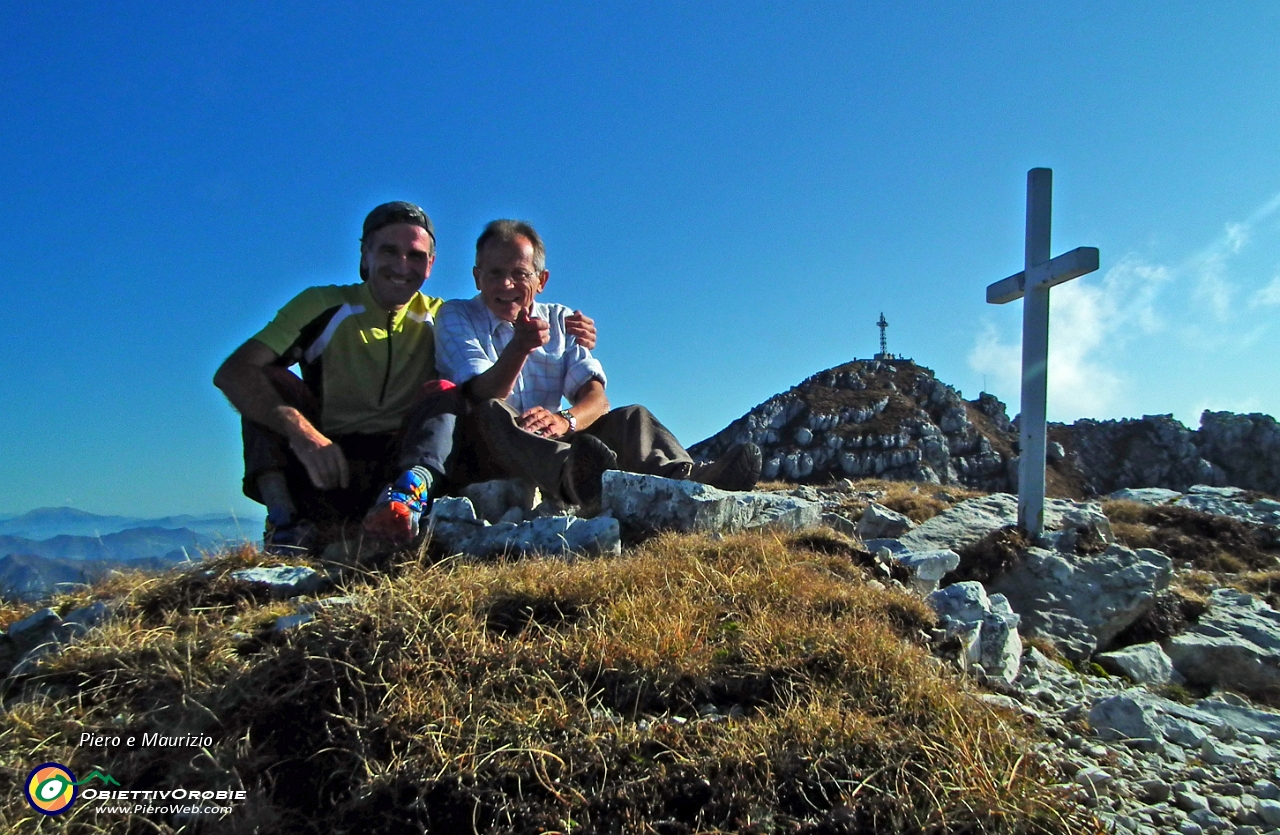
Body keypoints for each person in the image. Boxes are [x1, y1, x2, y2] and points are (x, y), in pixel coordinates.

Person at [213, 202, 597, 552]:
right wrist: (305, 436)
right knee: (266, 382)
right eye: (388, 251)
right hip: (327, 461)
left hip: (402, 462)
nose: (401, 266)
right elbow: (234, 372)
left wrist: (572, 326)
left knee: (444, 391)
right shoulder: (322, 305)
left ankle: (406, 499)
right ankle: (285, 522)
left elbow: (505, 302)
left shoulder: (442, 315)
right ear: (365, 254)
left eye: (415, 256)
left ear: (430, 265)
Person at [428, 218, 761, 509]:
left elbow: (597, 399)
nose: (506, 285)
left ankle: (689, 478)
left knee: (634, 418)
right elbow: (480, 391)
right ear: (476, 276)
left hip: (549, 440)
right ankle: (576, 478)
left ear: (541, 281)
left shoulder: (561, 319)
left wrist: (566, 421)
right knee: (490, 412)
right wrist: (518, 349)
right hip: (488, 449)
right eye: (495, 273)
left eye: (519, 274)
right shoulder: (457, 315)